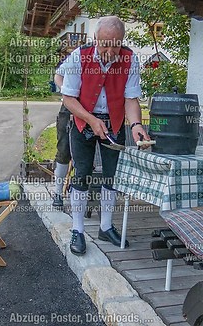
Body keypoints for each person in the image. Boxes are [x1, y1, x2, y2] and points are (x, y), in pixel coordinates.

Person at [58, 16, 150, 255]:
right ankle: (77, 230)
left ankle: (105, 227)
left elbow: (131, 99)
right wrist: (91, 119)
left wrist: (136, 125)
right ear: (96, 38)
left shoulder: (130, 59)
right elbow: (68, 99)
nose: (110, 51)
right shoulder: (79, 56)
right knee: (82, 175)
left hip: (115, 123)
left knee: (111, 178)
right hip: (82, 122)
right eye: (105, 44)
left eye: (116, 44)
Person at [51, 70, 71, 207]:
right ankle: (58, 193)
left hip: (94, 109)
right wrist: (67, 91)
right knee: (64, 149)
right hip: (69, 106)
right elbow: (58, 75)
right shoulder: (76, 56)